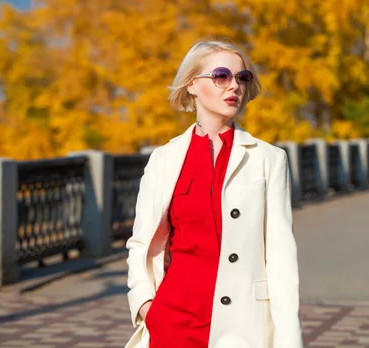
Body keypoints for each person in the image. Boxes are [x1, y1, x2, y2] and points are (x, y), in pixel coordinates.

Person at [125, 41, 303, 348]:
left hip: (244, 325)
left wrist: (289, 340)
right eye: (221, 76)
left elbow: (280, 258)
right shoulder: (164, 159)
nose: (234, 85)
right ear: (193, 85)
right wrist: (145, 305)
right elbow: (141, 242)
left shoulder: (269, 160)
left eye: (242, 77)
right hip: (171, 321)